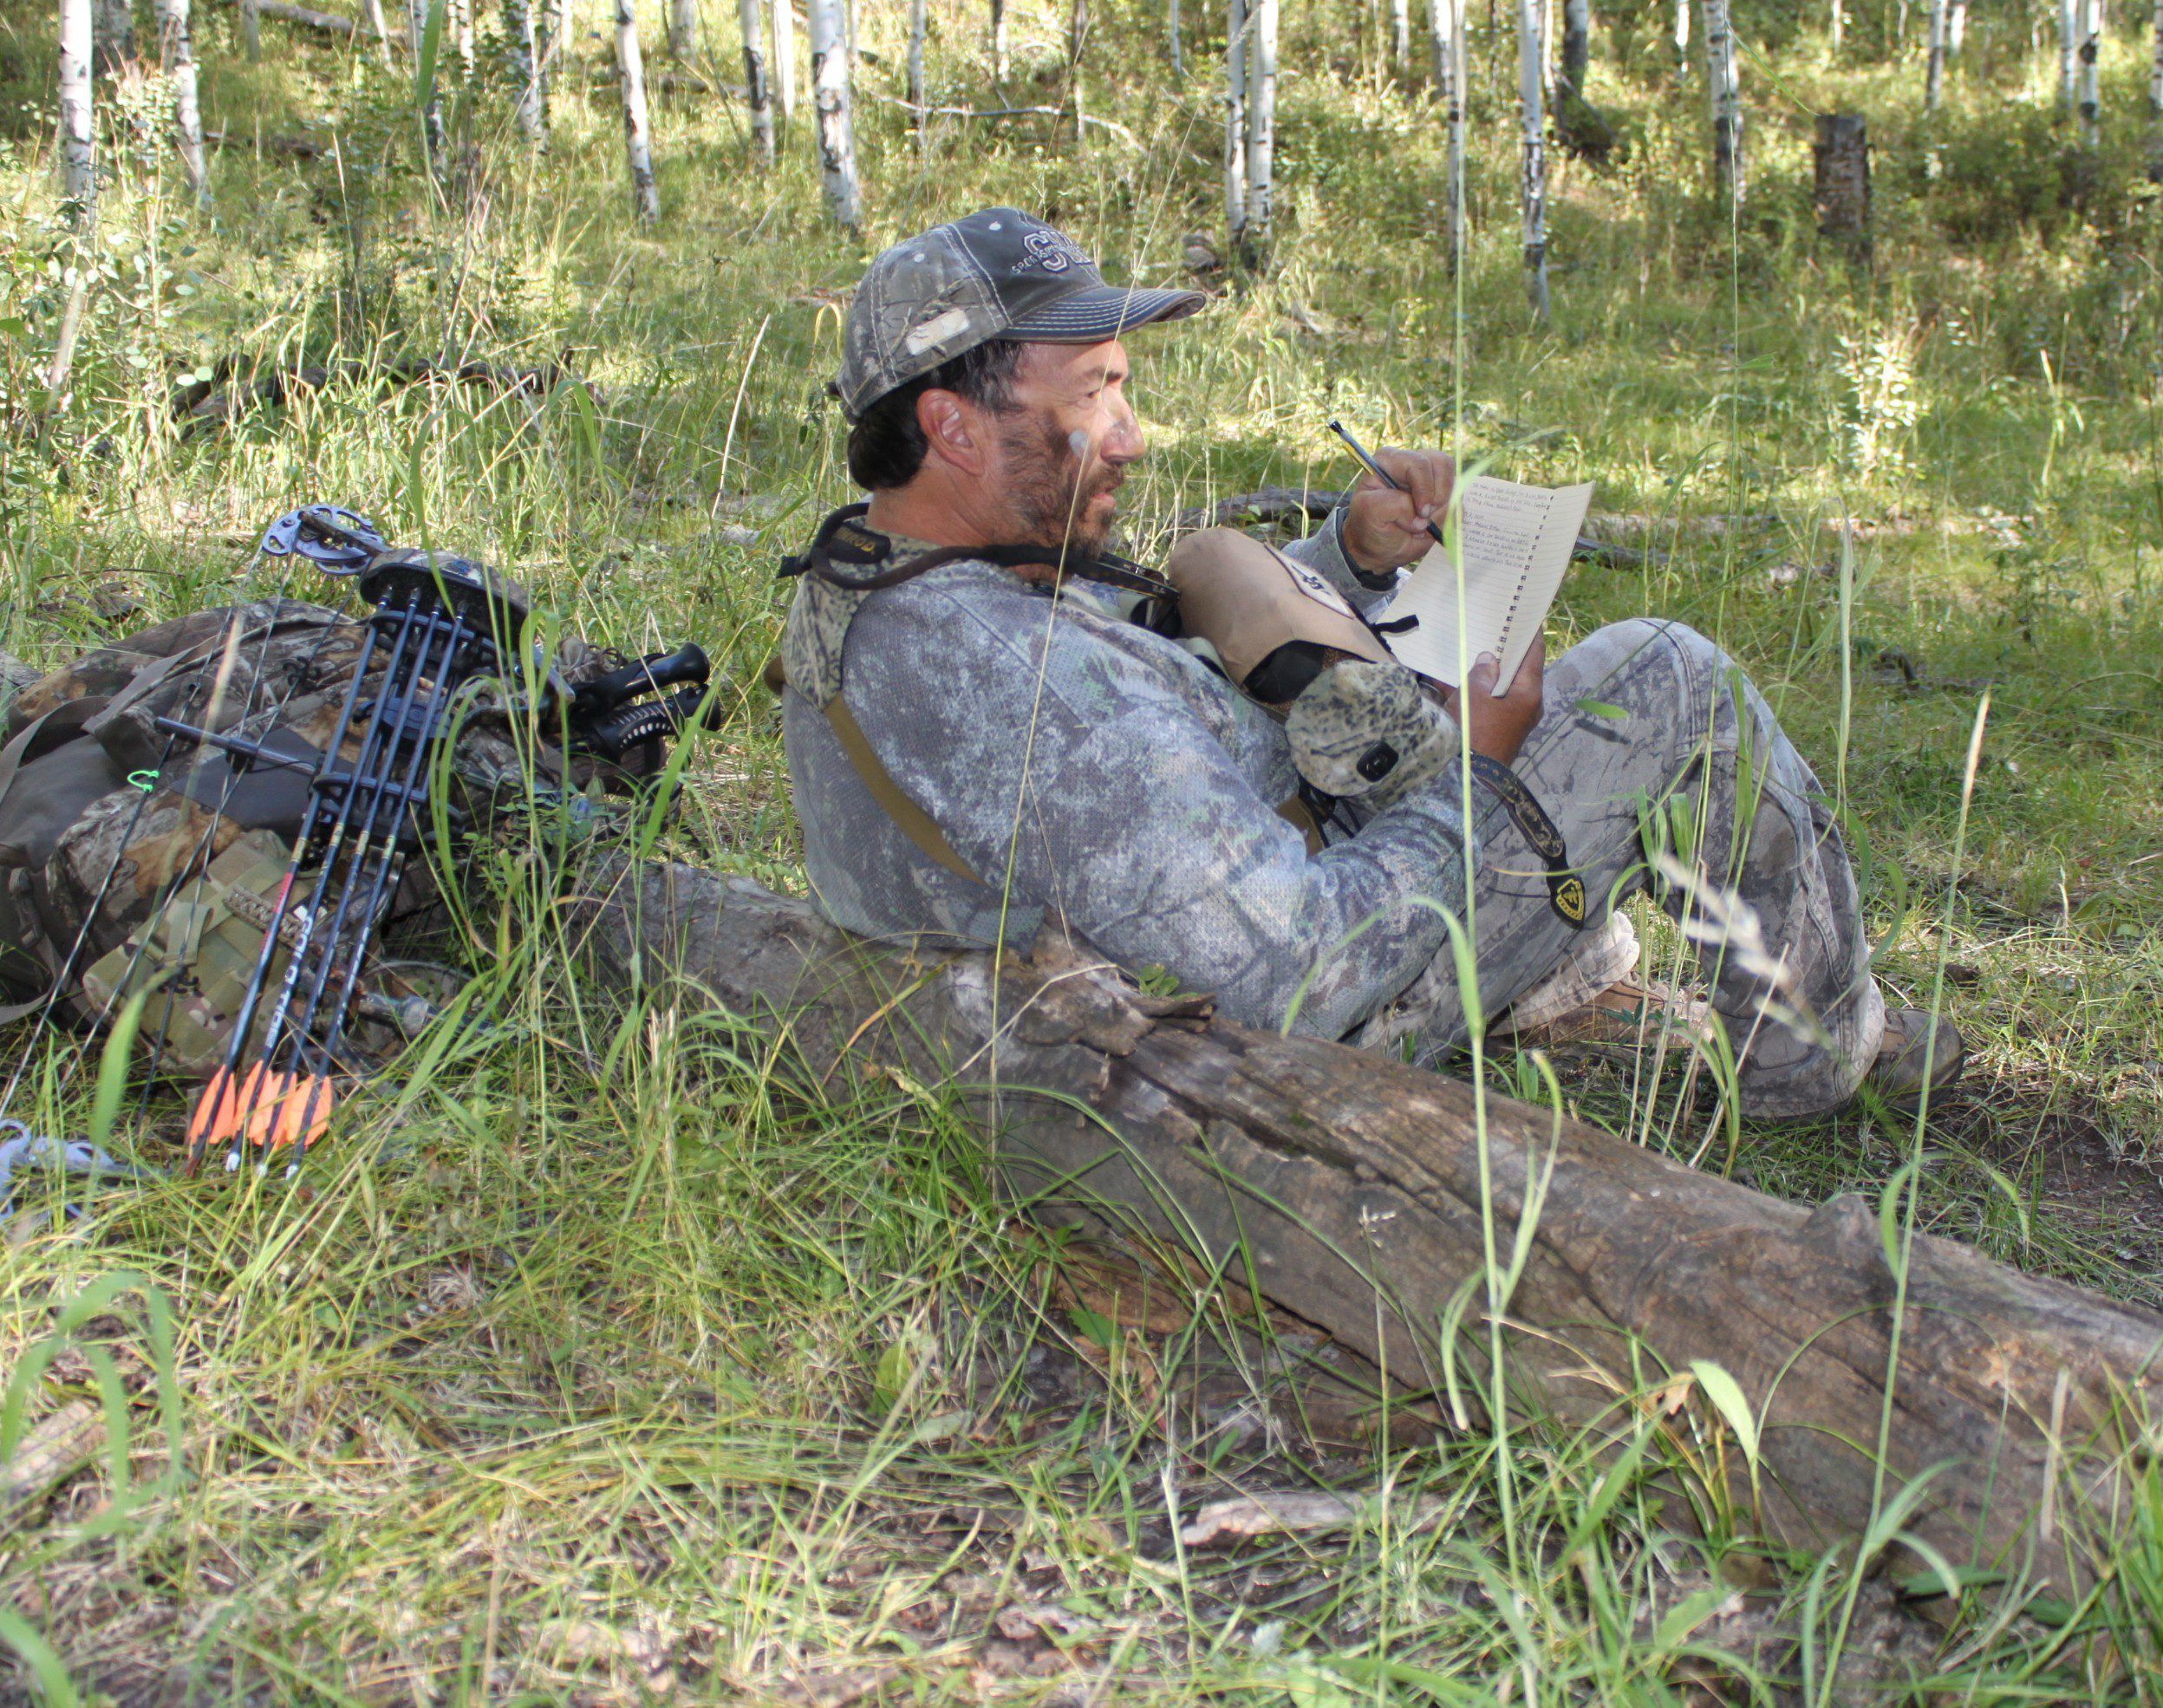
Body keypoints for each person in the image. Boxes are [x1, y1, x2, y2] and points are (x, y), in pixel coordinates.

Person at [776, 207, 1962, 1118]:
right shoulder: (1031, 690)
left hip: (1185, 940)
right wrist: (1477, 781)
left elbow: (1150, 676)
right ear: (952, 426)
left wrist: (1343, 561)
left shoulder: (899, 580)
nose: (1133, 436)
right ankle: (1813, 1056)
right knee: (1666, 679)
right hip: (1280, 1036)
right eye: (1096, 396)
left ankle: (1586, 966)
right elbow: (1299, 974)